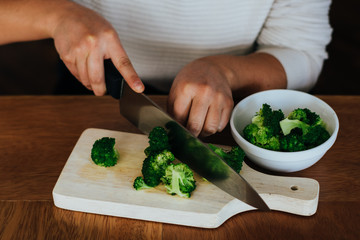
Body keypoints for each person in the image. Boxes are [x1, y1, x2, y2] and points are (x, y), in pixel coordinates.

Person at [0, 0, 332, 137]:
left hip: (233, 101)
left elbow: (302, 52)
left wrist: (226, 71)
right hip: (92, 91)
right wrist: (56, 15)